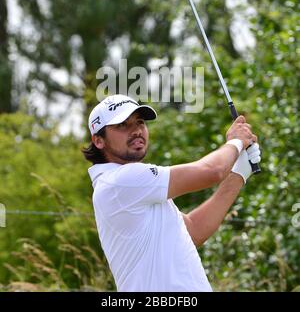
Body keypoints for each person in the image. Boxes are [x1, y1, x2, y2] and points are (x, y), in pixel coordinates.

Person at [82, 94, 261, 292]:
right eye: (122, 125)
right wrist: (235, 142)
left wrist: (237, 175)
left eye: (139, 122)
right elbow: (213, 171)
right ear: (99, 140)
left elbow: (194, 230)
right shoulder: (121, 181)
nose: (136, 130)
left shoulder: (134, 186)